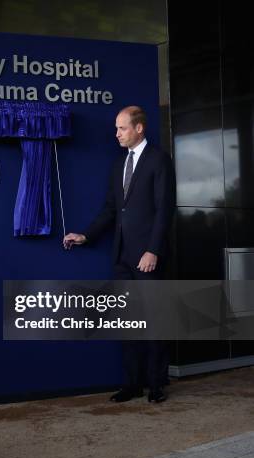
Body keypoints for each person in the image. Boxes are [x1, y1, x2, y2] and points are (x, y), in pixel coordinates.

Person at [63, 106, 175, 404]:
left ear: (139, 128)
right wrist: (86, 235)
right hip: (122, 255)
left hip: (147, 255)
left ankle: (156, 384)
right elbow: (111, 210)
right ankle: (133, 384)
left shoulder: (159, 160)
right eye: (116, 128)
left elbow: (165, 210)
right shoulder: (118, 165)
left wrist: (153, 250)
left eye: (121, 128)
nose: (116, 134)